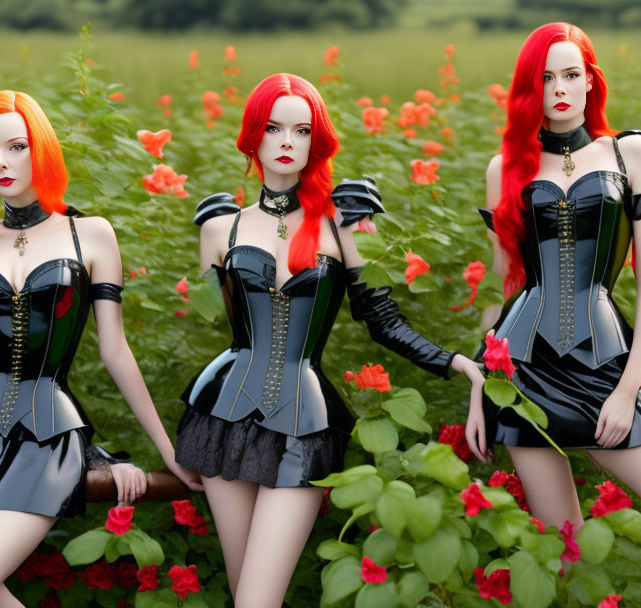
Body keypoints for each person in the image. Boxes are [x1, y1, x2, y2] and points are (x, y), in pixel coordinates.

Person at [175, 73, 485, 608]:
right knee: (243, 596)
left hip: (304, 421)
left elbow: (382, 319)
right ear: (254, 136)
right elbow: (210, 319)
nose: (288, 141)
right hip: (221, 415)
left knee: (257, 601)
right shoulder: (218, 227)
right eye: (274, 128)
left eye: (302, 129)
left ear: (317, 140)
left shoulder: (343, 223)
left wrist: (459, 364)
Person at [0, 90, 202, 608]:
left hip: (47, 433)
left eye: (15, 146)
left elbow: (116, 352)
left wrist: (170, 453)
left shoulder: (92, 235)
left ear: (40, 147)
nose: (0, 162)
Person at [468, 23, 641, 606]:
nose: (559, 88)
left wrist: (627, 385)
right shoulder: (504, 170)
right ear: (528, 90)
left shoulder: (628, 152)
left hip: (607, 367)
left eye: (571, 74)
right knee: (563, 562)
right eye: (545, 78)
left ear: (591, 81)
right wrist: (477, 389)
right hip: (521, 374)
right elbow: (502, 287)